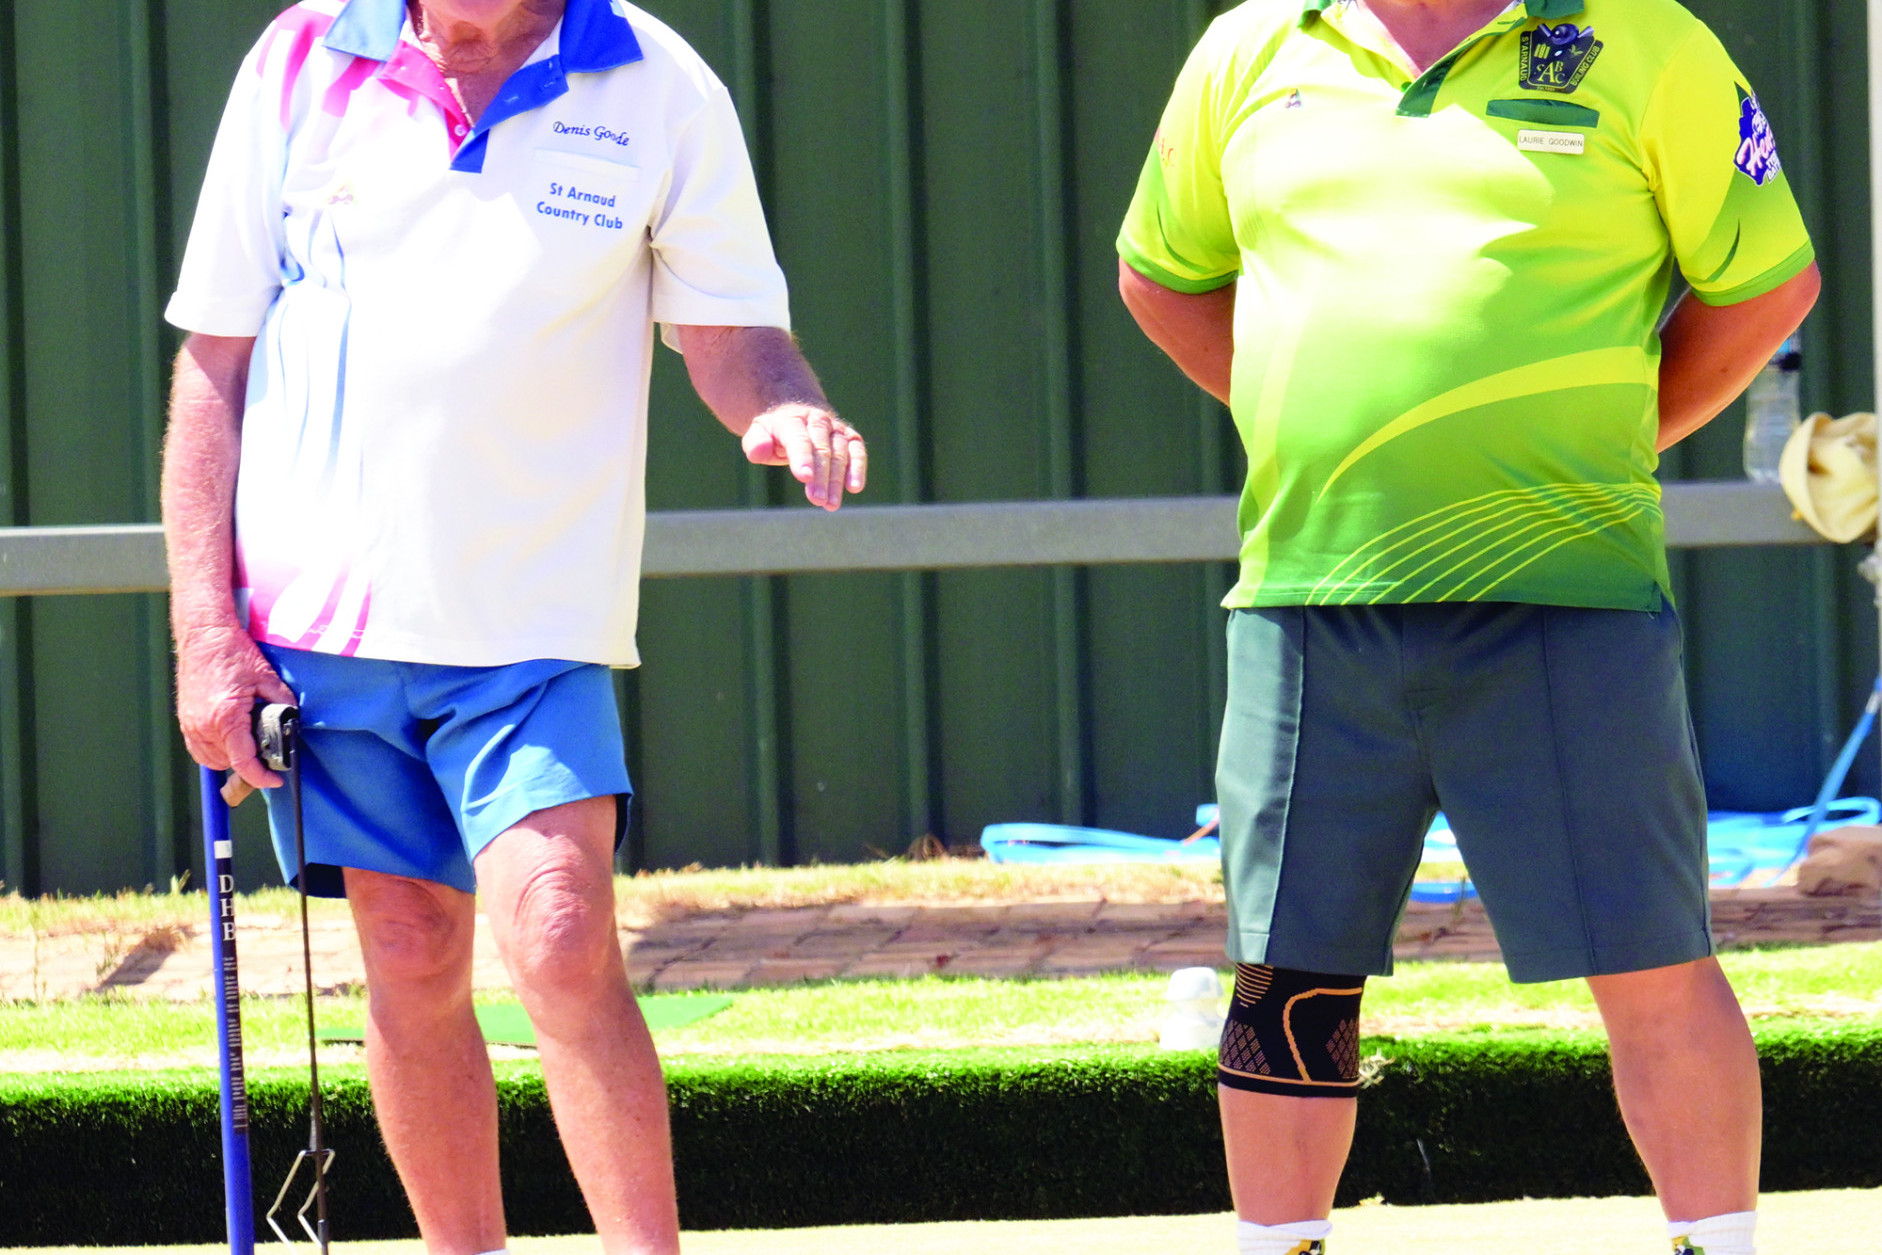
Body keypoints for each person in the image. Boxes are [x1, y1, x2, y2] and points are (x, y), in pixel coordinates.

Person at [160, 1, 865, 1252]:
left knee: (558, 924)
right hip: (324, 625)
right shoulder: (301, 55)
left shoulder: (657, 81)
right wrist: (206, 634)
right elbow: (214, 360)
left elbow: (731, 329)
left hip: (536, 620)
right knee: (412, 945)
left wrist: (784, 406)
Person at [1116, 2, 1818, 1252]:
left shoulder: (1646, 40)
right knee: (1287, 978)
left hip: (1569, 593)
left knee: (1651, 960)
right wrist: (1306, 417)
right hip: (1307, 597)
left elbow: (1768, 286)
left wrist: (1620, 433)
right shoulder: (1247, 47)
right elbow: (1160, 279)